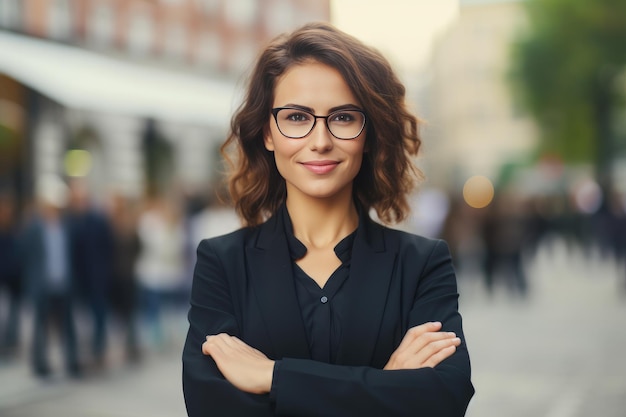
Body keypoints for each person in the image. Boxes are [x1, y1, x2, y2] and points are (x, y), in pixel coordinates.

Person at [182, 22, 474, 417]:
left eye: (343, 118)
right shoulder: (223, 262)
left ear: (368, 134)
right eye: (298, 117)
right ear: (268, 133)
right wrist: (387, 384)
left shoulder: (422, 263)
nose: (320, 141)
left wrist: (272, 376)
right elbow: (212, 407)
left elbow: (445, 398)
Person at [21, 175, 80, 377]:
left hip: (64, 283)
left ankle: (72, 362)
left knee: (67, 327)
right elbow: (26, 257)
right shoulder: (33, 227)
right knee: (40, 328)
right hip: (42, 285)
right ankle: (40, 364)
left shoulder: (66, 225)